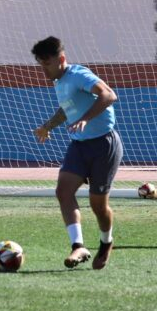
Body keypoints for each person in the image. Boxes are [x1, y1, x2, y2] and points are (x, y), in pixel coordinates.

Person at [30, 36, 122, 271]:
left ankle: (106, 242)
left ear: (61, 59)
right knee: (63, 191)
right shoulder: (59, 82)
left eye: (47, 64)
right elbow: (66, 108)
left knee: (98, 206)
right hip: (79, 146)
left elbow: (109, 95)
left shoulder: (78, 75)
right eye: (40, 65)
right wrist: (48, 126)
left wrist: (85, 119)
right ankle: (78, 246)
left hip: (104, 145)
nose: (44, 70)